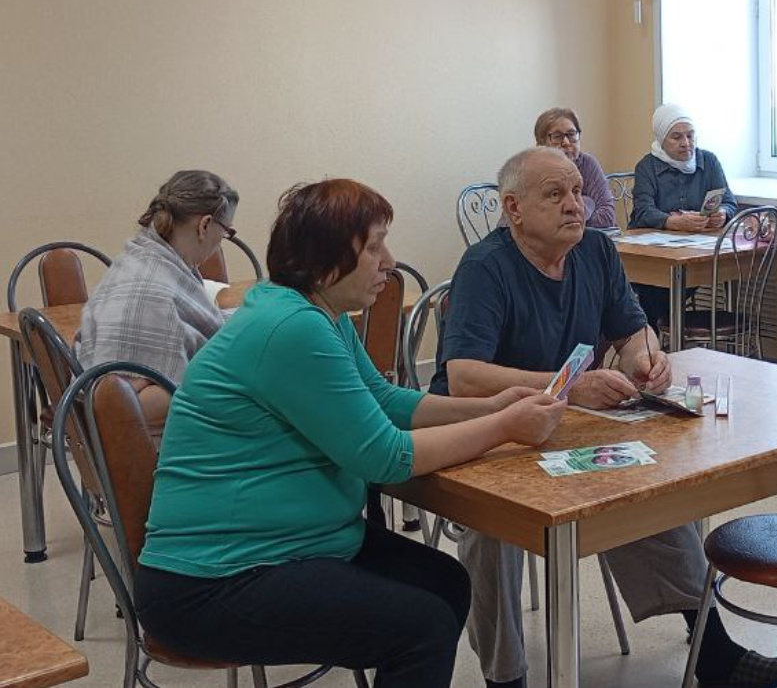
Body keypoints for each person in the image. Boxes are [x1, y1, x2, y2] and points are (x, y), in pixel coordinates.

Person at [136, 179, 569, 687]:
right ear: (325, 263)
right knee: (422, 627)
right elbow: (385, 457)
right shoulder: (293, 328)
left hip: (291, 547)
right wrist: (503, 426)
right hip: (213, 580)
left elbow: (382, 400)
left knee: (446, 582)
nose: (389, 262)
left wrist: (488, 406)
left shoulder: (317, 312)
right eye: (374, 247)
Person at [435, 147, 777, 688]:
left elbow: (632, 329)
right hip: (484, 432)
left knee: (649, 481)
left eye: (577, 192)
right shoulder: (486, 268)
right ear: (513, 208)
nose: (574, 205)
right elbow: (464, 376)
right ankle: (505, 678)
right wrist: (567, 387)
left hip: (563, 424)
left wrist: (646, 356)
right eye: (555, 194)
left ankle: (715, 654)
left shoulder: (595, 251)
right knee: (492, 535)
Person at [77, 170, 240, 443]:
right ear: (205, 225)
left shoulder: (141, 258)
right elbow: (123, 407)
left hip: (104, 415)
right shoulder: (152, 290)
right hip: (137, 443)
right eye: (226, 232)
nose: (221, 242)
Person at [629, 103, 740, 327]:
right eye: (677, 137)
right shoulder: (647, 167)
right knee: (654, 292)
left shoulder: (708, 161)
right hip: (655, 255)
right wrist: (672, 222)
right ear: (662, 139)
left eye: (690, 135)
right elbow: (642, 211)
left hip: (695, 254)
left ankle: (663, 338)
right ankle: (656, 339)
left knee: (664, 294)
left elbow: (729, 202)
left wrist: (722, 214)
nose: (686, 143)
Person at [534, 106, 617, 229]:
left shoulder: (588, 164)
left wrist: (568, 221)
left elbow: (607, 216)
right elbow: (535, 223)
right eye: (557, 136)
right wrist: (587, 205)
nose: (566, 142)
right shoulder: (531, 169)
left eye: (572, 134)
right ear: (541, 144)